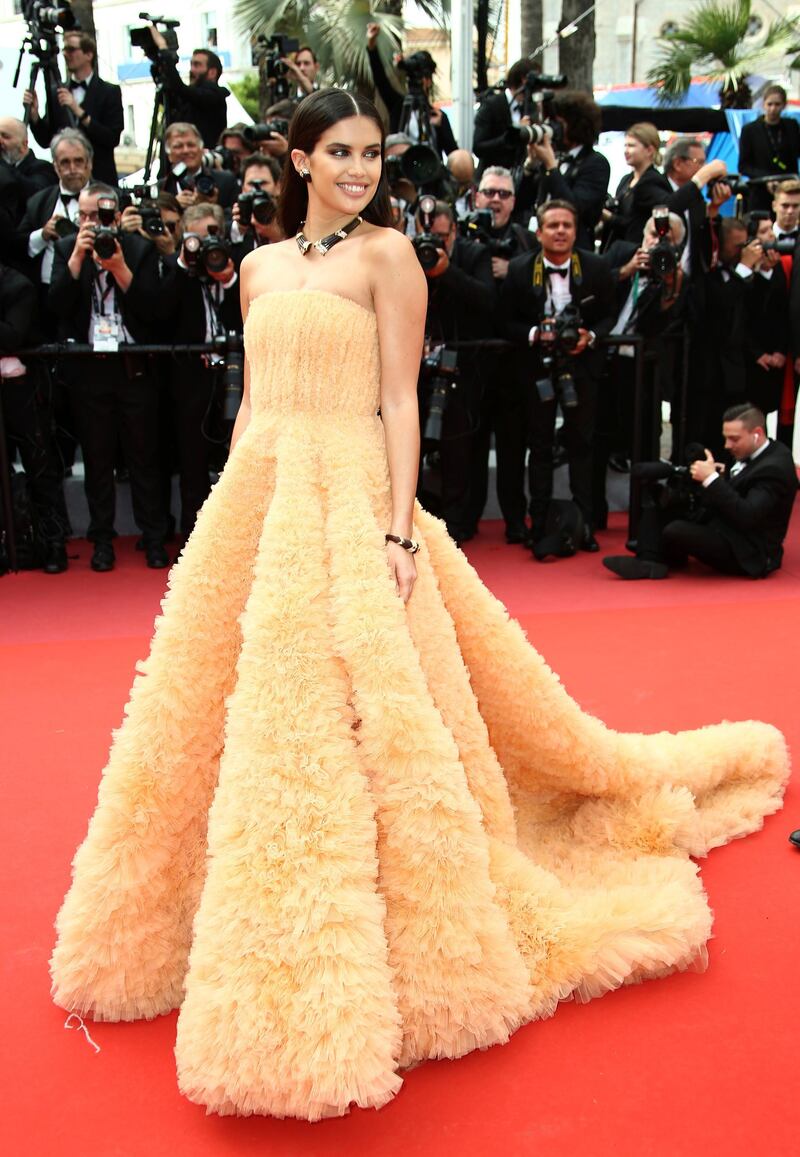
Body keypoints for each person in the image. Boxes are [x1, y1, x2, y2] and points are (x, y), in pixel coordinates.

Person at [50, 88, 790, 1123]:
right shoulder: (259, 269)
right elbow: (255, 403)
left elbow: (400, 397)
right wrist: (227, 514)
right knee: (224, 712)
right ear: (299, 158)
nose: (359, 169)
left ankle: (370, 914)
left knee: (354, 702)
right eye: (340, 152)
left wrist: (398, 527)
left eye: (373, 154)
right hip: (266, 488)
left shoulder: (387, 258)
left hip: (353, 490)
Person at [48, 182, 170, 571]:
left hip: (133, 369)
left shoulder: (138, 248)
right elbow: (54, 307)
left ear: (115, 216)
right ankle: (102, 540)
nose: (90, 224)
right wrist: (77, 261)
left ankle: (153, 538)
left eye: (98, 216)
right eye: (83, 216)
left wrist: (118, 267)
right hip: (89, 371)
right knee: (97, 459)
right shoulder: (67, 248)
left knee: (143, 457)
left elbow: (154, 309)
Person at [501, 199, 616, 552]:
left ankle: (585, 524)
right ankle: (538, 523)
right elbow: (504, 319)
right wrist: (537, 335)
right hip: (537, 368)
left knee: (583, 443)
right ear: (539, 232)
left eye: (567, 225)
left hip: (582, 368)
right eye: (553, 226)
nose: (561, 231)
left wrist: (590, 337)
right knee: (539, 447)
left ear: (577, 231)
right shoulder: (520, 269)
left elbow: (610, 314)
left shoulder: (595, 266)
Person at [604, 403, 797, 580]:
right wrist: (723, 476)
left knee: (676, 529)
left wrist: (711, 480)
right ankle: (649, 561)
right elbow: (743, 485)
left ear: (757, 433)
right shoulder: (755, 451)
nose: (727, 445)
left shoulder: (775, 468)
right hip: (724, 525)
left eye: (734, 439)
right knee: (664, 500)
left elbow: (748, 515)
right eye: (726, 438)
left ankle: (661, 555)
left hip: (750, 552)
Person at [23, 30, 123, 186]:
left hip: (100, 178)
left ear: (88, 54)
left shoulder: (109, 92)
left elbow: (111, 137)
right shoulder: (57, 91)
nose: (65, 54)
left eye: (71, 50)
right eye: (64, 50)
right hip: (64, 180)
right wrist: (34, 116)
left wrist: (79, 112)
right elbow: (46, 140)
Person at [523, 90, 610, 252]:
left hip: (575, 253)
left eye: (559, 124)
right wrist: (530, 165)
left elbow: (574, 207)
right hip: (538, 249)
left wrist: (551, 166)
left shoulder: (595, 163)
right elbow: (522, 200)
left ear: (577, 125)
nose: (554, 130)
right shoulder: (554, 158)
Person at [366, 23, 457, 159]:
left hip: (430, 175)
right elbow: (381, 81)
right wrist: (372, 46)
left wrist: (439, 127)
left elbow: (454, 154)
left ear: (429, 81)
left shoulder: (438, 116)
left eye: (424, 77)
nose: (421, 81)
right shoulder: (399, 106)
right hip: (402, 175)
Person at [149, 25, 230, 149]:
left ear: (212, 72)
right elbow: (171, 96)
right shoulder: (188, 99)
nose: (192, 70)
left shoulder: (214, 96)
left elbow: (180, 89)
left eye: (197, 65)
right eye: (191, 64)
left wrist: (163, 49)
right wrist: (157, 62)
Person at [602, 123, 671, 250]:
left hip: (638, 251)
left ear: (649, 150)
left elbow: (635, 224)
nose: (626, 151)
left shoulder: (653, 181)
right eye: (625, 145)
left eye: (631, 146)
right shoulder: (626, 180)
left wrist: (608, 216)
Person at [739, 85, 800, 213]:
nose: (773, 109)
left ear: (784, 105)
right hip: (760, 193)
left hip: (788, 192)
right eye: (770, 104)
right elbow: (743, 166)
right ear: (763, 105)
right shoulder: (750, 130)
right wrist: (767, 179)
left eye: (777, 104)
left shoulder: (791, 126)